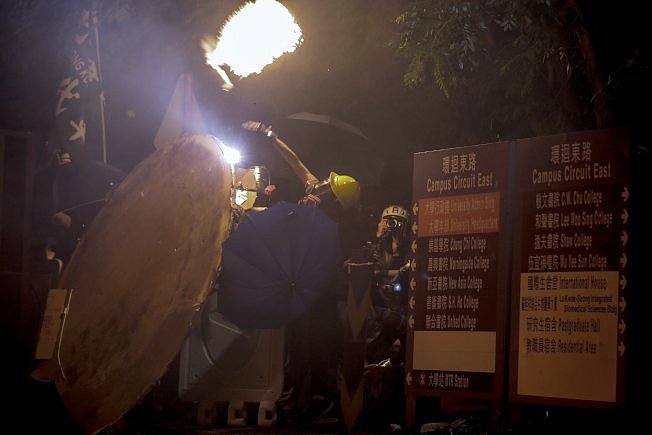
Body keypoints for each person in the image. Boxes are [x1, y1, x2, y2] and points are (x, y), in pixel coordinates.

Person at [241, 120, 363, 425]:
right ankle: (296, 399)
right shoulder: (318, 198)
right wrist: (271, 136)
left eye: (326, 185)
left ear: (334, 201)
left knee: (312, 345)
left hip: (315, 290)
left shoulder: (331, 223)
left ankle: (313, 400)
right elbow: (295, 163)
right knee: (296, 344)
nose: (316, 182)